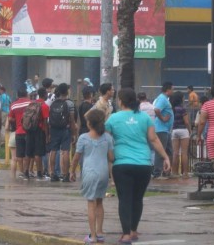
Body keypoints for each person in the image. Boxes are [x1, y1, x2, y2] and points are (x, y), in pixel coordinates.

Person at [106, 88, 170, 244]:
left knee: (124, 199)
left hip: (122, 164)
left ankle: (126, 234)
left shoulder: (113, 119)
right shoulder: (145, 118)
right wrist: (165, 157)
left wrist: (109, 157)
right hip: (143, 164)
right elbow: (154, 139)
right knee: (137, 198)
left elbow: (106, 141)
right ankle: (134, 231)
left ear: (121, 101)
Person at [70, 109, 114, 244]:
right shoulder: (108, 138)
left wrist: (72, 171)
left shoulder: (84, 138)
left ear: (89, 124)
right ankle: (100, 232)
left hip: (89, 173)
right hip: (103, 173)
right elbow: (111, 157)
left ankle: (92, 236)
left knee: (91, 203)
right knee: (100, 202)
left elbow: (77, 157)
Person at [49, 83, 77, 182]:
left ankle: (52, 173)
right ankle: (65, 174)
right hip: (66, 129)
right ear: (67, 91)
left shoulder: (52, 103)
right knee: (65, 151)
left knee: (53, 150)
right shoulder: (70, 103)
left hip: (54, 129)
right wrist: (74, 134)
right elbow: (72, 120)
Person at [153, 82, 174, 179]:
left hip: (166, 130)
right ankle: (157, 173)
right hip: (161, 129)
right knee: (160, 150)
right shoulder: (162, 98)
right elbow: (157, 110)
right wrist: (162, 118)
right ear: (168, 89)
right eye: (172, 89)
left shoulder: (165, 99)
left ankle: (167, 171)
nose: (172, 91)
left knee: (169, 150)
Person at [10, 87, 31, 179]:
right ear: (26, 94)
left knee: (19, 154)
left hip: (18, 131)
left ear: (17, 95)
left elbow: (10, 118)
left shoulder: (13, 105)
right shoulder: (31, 103)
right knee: (28, 153)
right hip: (29, 131)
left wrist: (17, 121)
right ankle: (26, 172)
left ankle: (21, 172)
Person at [170, 91, 191, 179]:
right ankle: (185, 173)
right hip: (183, 130)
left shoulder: (172, 109)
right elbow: (186, 122)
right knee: (184, 153)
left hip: (174, 131)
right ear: (180, 99)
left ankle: (174, 172)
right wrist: (189, 130)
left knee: (175, 153)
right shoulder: (182, 109)